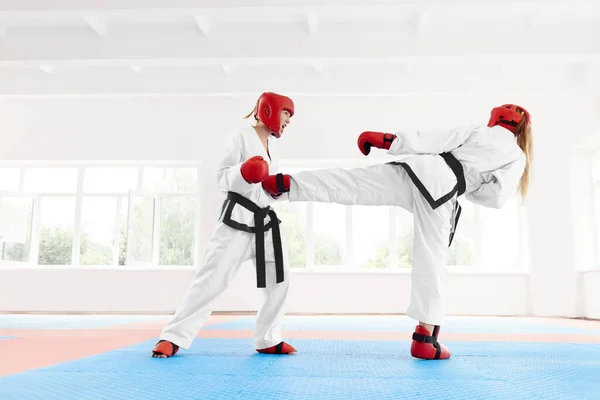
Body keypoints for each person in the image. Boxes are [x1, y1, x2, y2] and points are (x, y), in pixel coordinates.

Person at [253, 104, 532, 360]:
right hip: (444, 189)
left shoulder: (477, 130)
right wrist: (472, 187)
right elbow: (496, 197)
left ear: (495, 118)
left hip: (418, 168)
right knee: (431, 259)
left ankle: (289, 185)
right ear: (521, 128)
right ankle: (425, 337)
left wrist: (389, 141)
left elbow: (433, 139)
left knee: (354, 183)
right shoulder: (516, 155)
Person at [152, 92, 297, 358]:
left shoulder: (273, 149)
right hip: (237, 221)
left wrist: (278, 190)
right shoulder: (240, 135)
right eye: (286, 114)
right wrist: (243, 172)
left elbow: (265, 186)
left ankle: (268, 338)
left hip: (265, 222)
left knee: (281, 279)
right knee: (212, 278)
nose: (288, 121)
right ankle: (172, 336)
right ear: (269, 111)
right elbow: (222, 178)